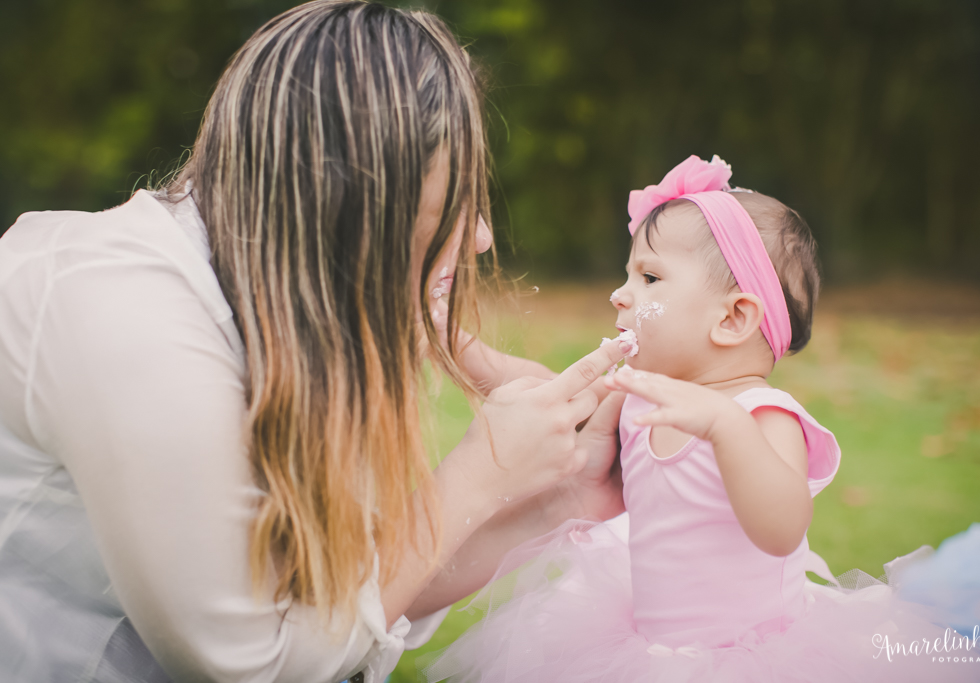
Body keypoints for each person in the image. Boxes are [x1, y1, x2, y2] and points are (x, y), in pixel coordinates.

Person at [0, 3, 633, 682]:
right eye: (447, 210)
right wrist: (480, 469)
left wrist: (558, 500)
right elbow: (253, 661)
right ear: (350, 212)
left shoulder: (284, 312)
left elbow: (339, 600)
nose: (478, 237)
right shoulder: (129, 322)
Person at [424, 155, 980, 683]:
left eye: (649, 277)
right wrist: (452, 342)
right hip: (648, 647)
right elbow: (545, 390)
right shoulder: (645, 394)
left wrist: (724, 426)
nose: (620, 294)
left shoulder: (761, 416)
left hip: (749, 659)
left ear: (733, 320)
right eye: (628, 273)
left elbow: (782, 527)